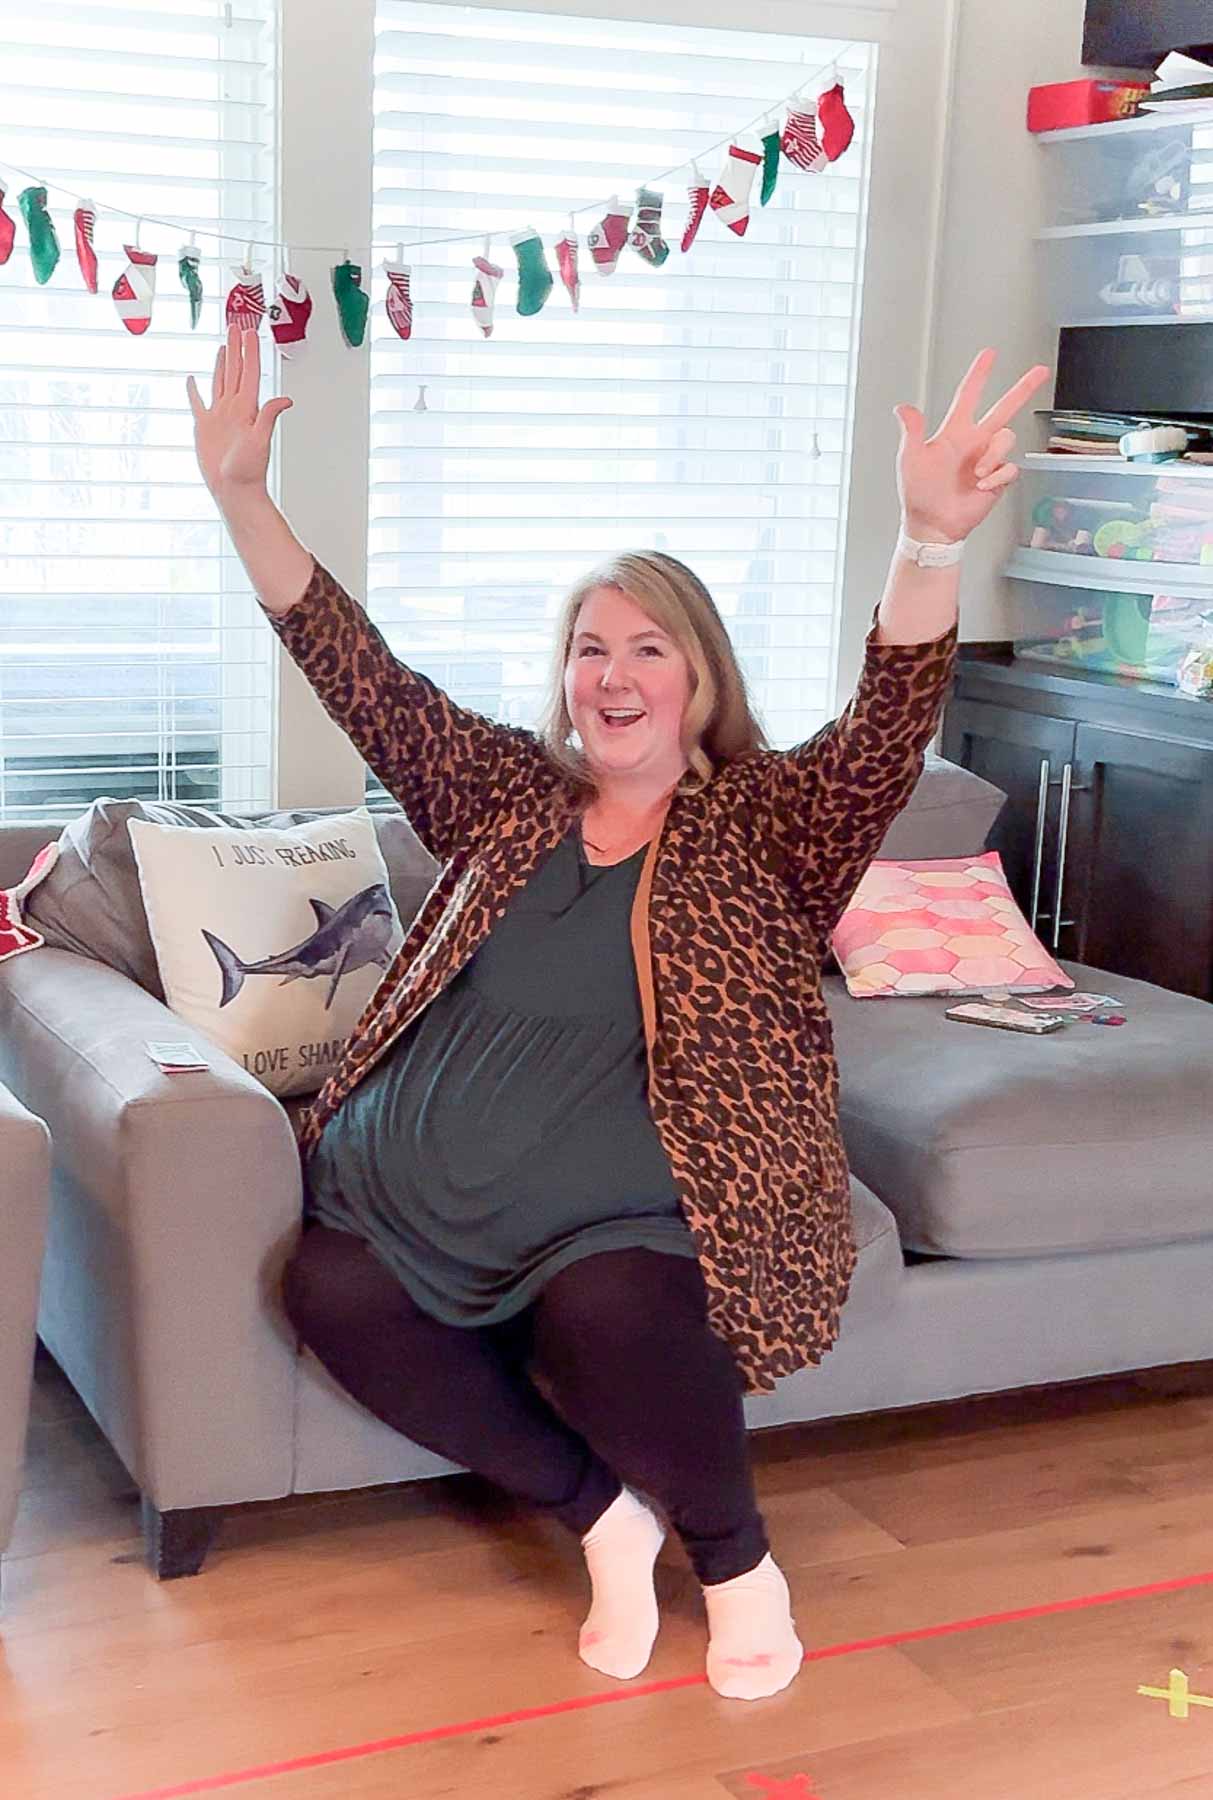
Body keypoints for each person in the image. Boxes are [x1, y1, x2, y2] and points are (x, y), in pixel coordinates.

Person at [188, 327, 1049, 1701]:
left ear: (696, 676)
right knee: (325, 1290)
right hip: (407, 1195)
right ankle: (599, 1513)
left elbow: (889, 717)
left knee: (610, 1314)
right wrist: (243, 496)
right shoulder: (501, 796)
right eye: (589, 647)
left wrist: (929, 544)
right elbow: (360, 673)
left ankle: (732, 1559)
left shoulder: (770, 825)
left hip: (622, 1217)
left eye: (647, 646)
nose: (611, 673)